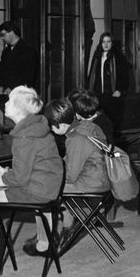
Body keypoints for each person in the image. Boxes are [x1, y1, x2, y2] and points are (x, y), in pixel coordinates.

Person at [0, 86, 63, 269]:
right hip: (47, 187)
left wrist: (5, 175)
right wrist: (7, 172)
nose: (5, 103)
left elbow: (20, 179)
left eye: (9, 101)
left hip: (36, 191)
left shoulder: (24, 137)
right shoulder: (37, 126)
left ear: (18, 110)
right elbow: (32, 167)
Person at [35, 98, 109, 253]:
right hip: (100, 179)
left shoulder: (75, 139)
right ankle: (67, 228)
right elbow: (75, 161)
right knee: (51, 185)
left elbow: (70, 176)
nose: (52, 131)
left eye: (52, 128)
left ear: (59, 124)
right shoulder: (87, 126)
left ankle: (44, 243)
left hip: (90, 184)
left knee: (40, 192)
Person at [87, 32, 130, 132]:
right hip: (98, 96)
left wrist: (120, 90)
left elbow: (125, 77)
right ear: (100, 43)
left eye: (108, 42)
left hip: (113, 97)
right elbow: (92, 76)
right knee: (99, 125)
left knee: (113, 126)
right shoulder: (97, 56)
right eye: (103, 42)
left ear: (112, 43)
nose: (106, 44)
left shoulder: (118, 57)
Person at [0, 21, 39, 116]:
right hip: (7, 97)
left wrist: (13, 87)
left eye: (3, 35)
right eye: (0, 36)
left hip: (21, 98)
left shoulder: (28, 51)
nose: (1, 38)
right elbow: (0, 71)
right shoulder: (6, 52)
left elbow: (29, 75)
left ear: (12, 32)